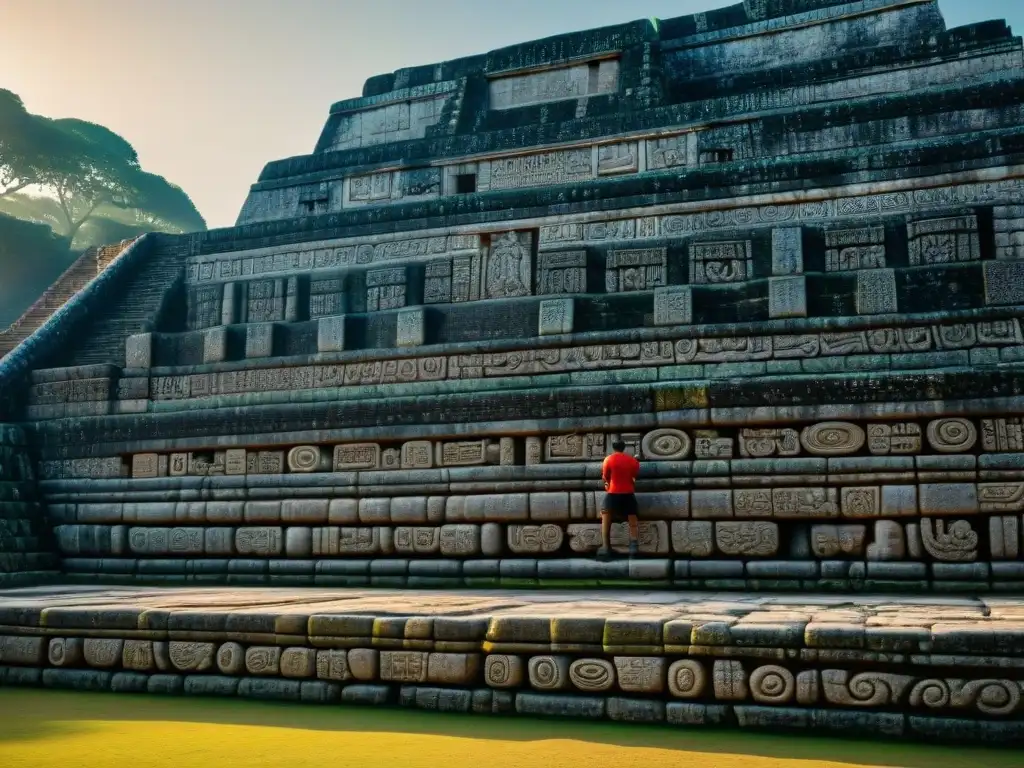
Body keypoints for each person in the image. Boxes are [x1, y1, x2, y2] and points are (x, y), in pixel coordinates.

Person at [598, 440, 640, 558]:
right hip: (628, 493)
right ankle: (634, 547)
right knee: (632, 519)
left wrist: (607, 483)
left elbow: (605, 476)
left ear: (613, 447)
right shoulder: (633, 461)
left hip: (613, 492)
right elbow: (635, 475)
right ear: (624, 448)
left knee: (605, 515)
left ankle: (606, 546)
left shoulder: (608, 459)